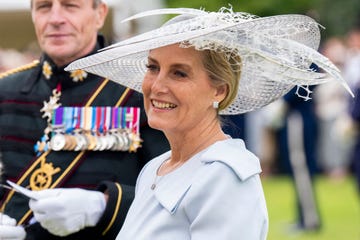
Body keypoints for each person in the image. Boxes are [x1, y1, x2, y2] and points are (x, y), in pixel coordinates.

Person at [65, 7, 353, 239]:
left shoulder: (225, 177)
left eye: (179, 73)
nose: (157, 85)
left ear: (219, 90)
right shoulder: (155, 168)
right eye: (153, 67)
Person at [0, 0, 169, 239]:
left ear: (99, 14)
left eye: (70, 6)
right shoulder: (5, 91)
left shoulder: (138, 92)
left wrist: (103, 205)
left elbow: (173, 194)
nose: (55, 18)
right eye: (44, 7)